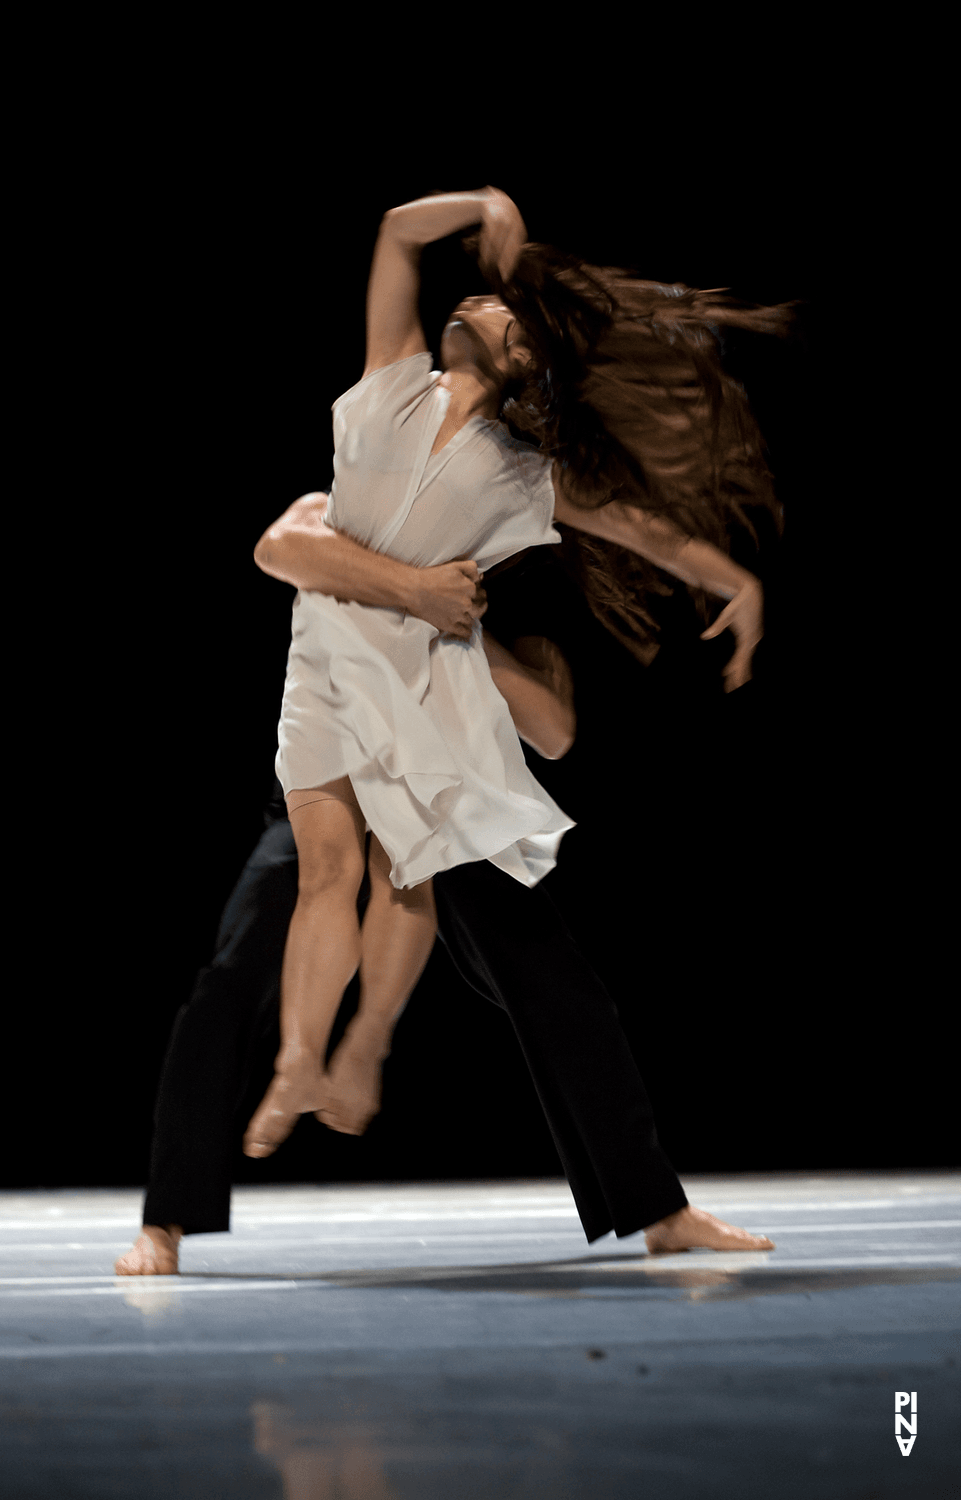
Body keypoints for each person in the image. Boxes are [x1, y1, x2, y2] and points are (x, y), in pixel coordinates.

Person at [116, 186, 792, 1274]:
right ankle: (167, 1217)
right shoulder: (386, 389)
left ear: (526, 365)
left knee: (552, 977)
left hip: (433, 751)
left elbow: (640, 533)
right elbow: (395, 233)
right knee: (241, 961)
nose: (476, 300)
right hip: (340, 725)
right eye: (477, 295)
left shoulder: (524, 479)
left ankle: (653, 1206)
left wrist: (734, 581)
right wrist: (481, 202)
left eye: (501, 310)